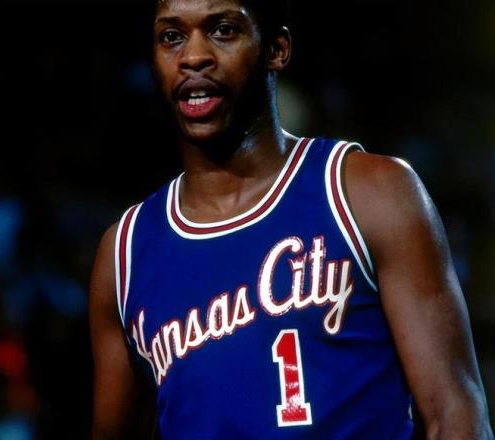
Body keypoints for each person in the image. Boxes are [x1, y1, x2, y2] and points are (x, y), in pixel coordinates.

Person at [89, 0, 493, 438]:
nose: (194, 56)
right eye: (171, 37)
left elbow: (454, 412)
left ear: (276, 49)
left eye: (223, 30)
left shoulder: (370, 192)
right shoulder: (125, 255)